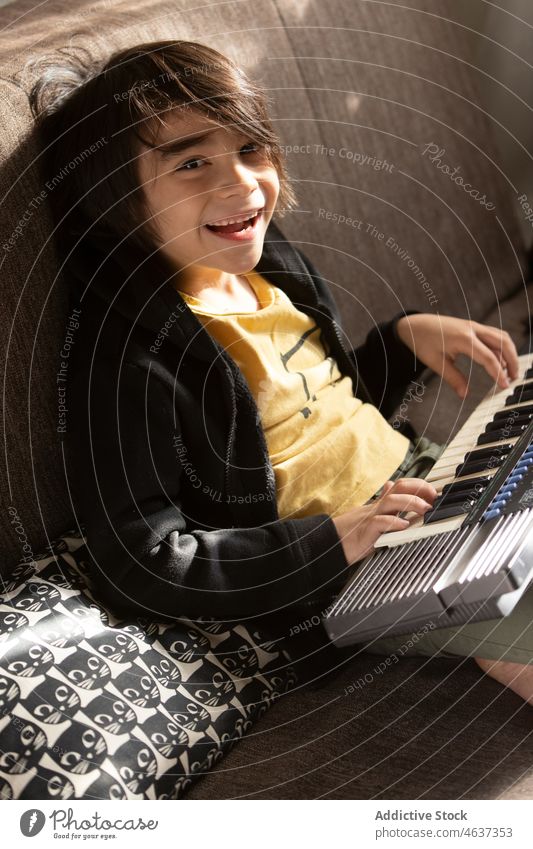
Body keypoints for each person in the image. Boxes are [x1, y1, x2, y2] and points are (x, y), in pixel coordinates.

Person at [28, 39, 533, 706]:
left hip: (426, 479)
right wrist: (331, 539)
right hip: (349, 573)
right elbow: (138, 561)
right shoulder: (129, 354)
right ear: (114, 197)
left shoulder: (267, 266)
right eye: (191, 163)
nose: (240, 183)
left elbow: (318, 412)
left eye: (250, 148)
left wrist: (401, 342)